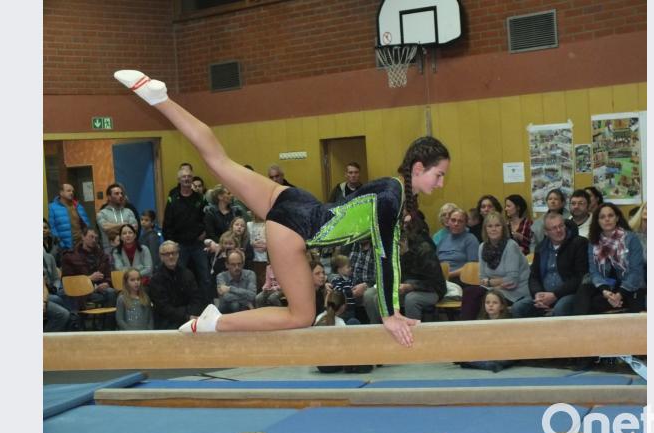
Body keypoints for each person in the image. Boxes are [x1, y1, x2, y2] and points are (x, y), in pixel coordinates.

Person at [116, 69, 449, 346]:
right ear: (418, 168)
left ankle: (161, 98)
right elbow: (385, 257)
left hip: (294, 200)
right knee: (301, 316)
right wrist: (390, 314)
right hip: (298, 229)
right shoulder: (393, 200)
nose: (441, 183)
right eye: (439, 175)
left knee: (219, 160)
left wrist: (392, 309)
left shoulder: (390, 187)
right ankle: (214, 322)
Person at [511, 212, 589, 318]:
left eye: (561, 226)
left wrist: (555, 295)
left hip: (568, 294)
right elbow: (534, 276)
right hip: (545, 294)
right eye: (553, 228)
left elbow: (579, 276)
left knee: (560, 308)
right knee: (518, 308)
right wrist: (538, 294)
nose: (558, 230)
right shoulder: (541, 247)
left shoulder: (579, 243)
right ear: (546, 232)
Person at [575, 203, 646, 314]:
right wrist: (604, 290)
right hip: (606, 287)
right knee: (584, 290)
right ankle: (579, 327)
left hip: (630, 285)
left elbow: (636, 272)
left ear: (617, 218)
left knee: (636, 305)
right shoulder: (593, 241)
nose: (607, 219)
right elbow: (594, 272)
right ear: (597, 221)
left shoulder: (631, 239)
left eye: (610, 216)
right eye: (602, 217)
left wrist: (619, 294)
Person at [460, 211, 531, 320]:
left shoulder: (511, 246)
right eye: (490, 226)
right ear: (485, 229)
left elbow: (512, 280)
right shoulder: (482, 247)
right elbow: (482, 278)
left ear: (503, 228)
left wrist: (490, 282)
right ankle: (467, 328)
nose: (493, 229)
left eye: (497, 225)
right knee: (470, 292)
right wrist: (498, 282)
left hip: (515, 292)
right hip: (493, 290)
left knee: (486, 299)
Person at [162, 163, 212, 302]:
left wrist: (204, 232)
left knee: (206, 277)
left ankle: (209, 307)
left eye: (189, 176)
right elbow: (167, 223)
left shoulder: (200, 198)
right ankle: (181, 306)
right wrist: (171, 243)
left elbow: (207, 218)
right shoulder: (172, 199)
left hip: (197, 244)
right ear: (179, 179)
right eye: (183, 176)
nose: (187, 179)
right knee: (179, 277)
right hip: (179, 246)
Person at [148, 241, 207, 329]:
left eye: (173, 253)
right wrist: (186, 316)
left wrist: (190, 315)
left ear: (178, 254)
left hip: (190, 317)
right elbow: (163, 307)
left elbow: (196, 298)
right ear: (161, 257)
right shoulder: (156, 279)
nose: (171, 256)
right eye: (167, 254)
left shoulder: (188, 274)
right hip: (167, 321)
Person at [314, 289, 372, 374]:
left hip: (321, 366)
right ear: (343, 307)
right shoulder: (340, 323)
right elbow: (347, 347)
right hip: (332, 364)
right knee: (353, 322)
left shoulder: (319, 317)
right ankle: (357, 364)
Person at [457, 290, 516, 373]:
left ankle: (489, 364)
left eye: (495, 303)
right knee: (463, 357)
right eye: (487, 302)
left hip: (503, 353)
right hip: (487, 352)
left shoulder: (507, 321)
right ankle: (490, 364)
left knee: (506, 359)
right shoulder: (481, 321)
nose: (490, 305)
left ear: (502, 306)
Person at [60, 228, 117, 310]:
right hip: (78, 290)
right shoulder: (70, 256)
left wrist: (107, 283)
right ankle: (78, 321)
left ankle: (107, 321)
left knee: (111, 292)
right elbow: (67, 281)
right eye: (91, 237)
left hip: (97, 290)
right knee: (68, 294)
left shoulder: (102, 256)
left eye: (96, 238)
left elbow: (108, 276)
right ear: (83, 237)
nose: (94, 240)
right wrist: (88, 279)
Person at [437, 208, 479, 284]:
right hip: (440, 279)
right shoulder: (443, 240)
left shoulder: (470, 239)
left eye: (460, 221)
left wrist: (448, 275)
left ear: (465, 223)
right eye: (453, 220)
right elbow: (435, 262)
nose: (456, 224)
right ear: (448, 222)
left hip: (460, 279)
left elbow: (472, 267)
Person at [48, 183, 91, 250]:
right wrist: (61, 245)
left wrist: (86, 240)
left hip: (81, 244)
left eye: (72, 191)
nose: (71, 193)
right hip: (65, 246)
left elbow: (86, 225)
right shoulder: (52, 207)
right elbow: (52, 228)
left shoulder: (78, 206)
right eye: (68, 191)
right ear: (61, 193)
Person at [97, 183, 138, 252]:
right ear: (109, 197)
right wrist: (125, 225)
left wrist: (114, 229)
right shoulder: (102, 213)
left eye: (121, 193)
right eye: (116, 193)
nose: (121, 196)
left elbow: (134, 228)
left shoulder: (129, 212)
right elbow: (106, 228)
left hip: (129, 250)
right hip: (110, 251)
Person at [216, 249, 258, 313]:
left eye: (239, 264)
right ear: (227, 265)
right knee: (234, 305)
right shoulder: (221, 276)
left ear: (243, 263)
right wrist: (246, 302)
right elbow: (226, 297)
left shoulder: (250, 274)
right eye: (233, 264)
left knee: (236, 305)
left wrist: (230, 288)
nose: (237, 267)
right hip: (226, 309)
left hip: (245, 310)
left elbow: (252, 295)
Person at [247, 213, 268, 289]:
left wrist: (267, 246)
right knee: (256, 282)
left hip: (266, 259)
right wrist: (252, 244)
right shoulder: (249, 225)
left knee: (265, 281)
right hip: (253, 259)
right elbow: (246, 241)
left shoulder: (268, 224)